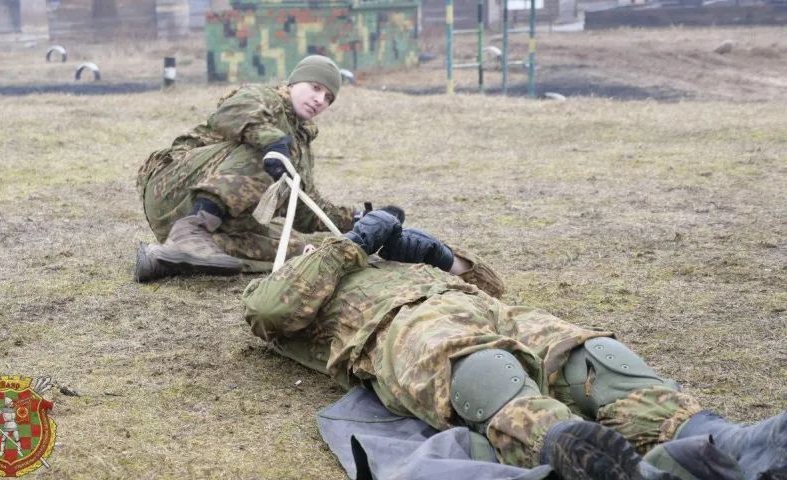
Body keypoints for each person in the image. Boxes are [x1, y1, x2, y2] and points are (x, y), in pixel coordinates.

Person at [241, 211, 786, 480]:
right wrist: (349, 246)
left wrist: (435, 253)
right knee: (483, 370)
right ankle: (572, 450)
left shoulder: (393, 259)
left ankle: (723, 442)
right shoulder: (291, 280)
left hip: (492, 312)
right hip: (400, 329)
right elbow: (271, 311)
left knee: (588, 357)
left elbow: (491, 287)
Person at [133, 55, 402, 282]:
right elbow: (231, 113)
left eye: (328, 97)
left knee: (299, 247)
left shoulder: (298, 141)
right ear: (295, 82)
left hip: (211, 218)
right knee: (265, 150)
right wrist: (273, 143)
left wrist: (359, 219)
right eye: (315, 87)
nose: (320, 99)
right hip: (173, 190)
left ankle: (163, 259)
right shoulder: (263, 97)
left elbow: (301, 205)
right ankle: (191, 230)